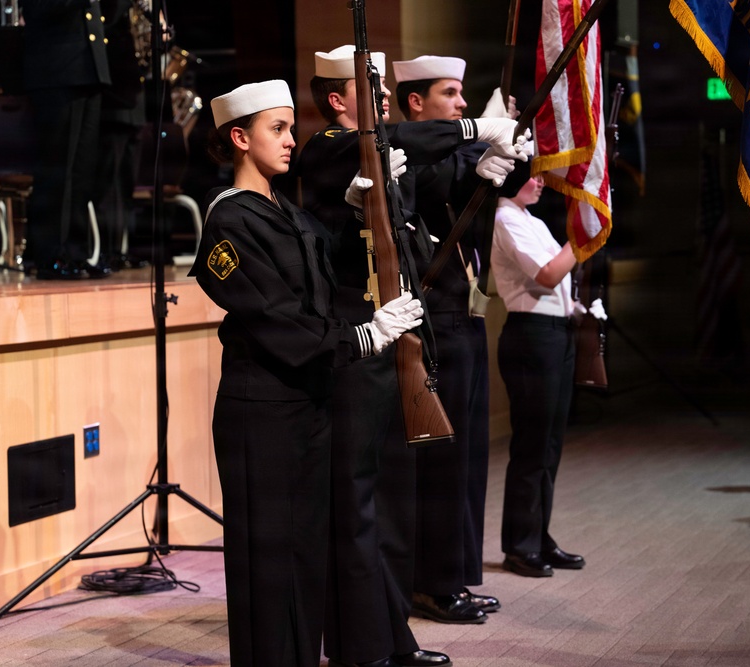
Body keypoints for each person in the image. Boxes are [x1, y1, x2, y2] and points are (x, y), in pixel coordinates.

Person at [296, 45, 526, 667]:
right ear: (337, 99)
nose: (378, 92)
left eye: (380, 81)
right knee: (362, 506)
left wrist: (483, 169)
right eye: (364, 84)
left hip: (397, 339)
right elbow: (393, 145)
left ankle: (391, 635)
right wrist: (475, 131)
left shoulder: (384, 153)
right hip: (355, 346)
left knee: (394, 503)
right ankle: (365, 643)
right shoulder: (327, 148)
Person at [188, 79, 424, 667]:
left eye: (292, 127)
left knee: (305, 555)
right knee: (267, 562)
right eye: (278, 129)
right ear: (240, 138)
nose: (293, 140)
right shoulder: (229, 222)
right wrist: (361, 338)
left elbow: (326, 279)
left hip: (307, 405)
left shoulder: (282, 210)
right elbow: (273, 316)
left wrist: (356, 210)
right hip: (262, 411)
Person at [392, 54, 521, 624]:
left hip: (465, 313)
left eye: (464, 94)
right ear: (416, 103)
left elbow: (486, 193)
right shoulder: (406, 158)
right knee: (442, 460)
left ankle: (459, 573)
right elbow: (432, 184)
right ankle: (432, 583)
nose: (463, 103)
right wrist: (476, 150)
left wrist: (500, 157)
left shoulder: (449, 155)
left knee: (468, 456)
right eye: (450, 94)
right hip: (433, 318)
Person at [491, 162, 604, 577]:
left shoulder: (531, 219)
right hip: (531, 336)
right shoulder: (505, 217)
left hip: (556, 333)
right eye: (533, 176)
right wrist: (582, 236)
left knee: (550, 445)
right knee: (531, 446)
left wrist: (580, 310)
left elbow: (558, 285)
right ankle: (520, 545)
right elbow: (548, 272)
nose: (540, 183)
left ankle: (540, 536)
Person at [21, 0, 113, 279]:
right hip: (58, 71)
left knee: (82, 173)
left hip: (90, 69)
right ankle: (49, 256)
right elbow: (37, 10)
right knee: (57, 171)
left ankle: (75, 252)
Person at [94, 0, 148, 271]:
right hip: (112, 99)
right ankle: (105, 249)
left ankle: (119, 247)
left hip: (135, 101)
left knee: (126, 184)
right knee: (108, 184)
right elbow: (108, 20)